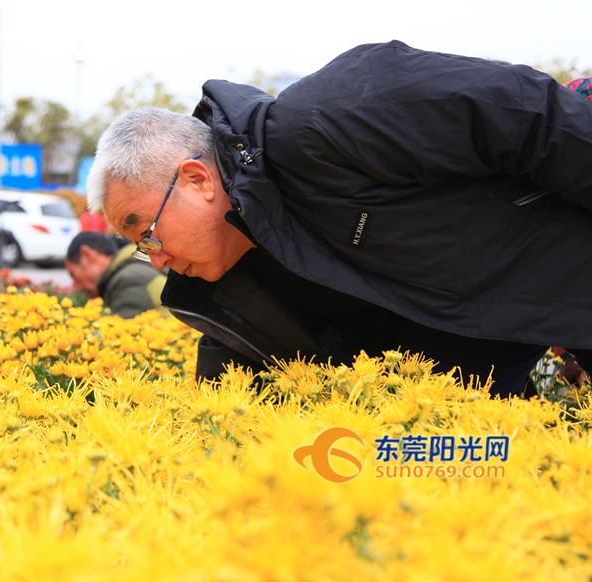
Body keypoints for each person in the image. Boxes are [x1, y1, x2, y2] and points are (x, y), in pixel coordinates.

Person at [86, 40, 592, 396]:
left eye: (147, 233)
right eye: (141, 248)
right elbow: (227, 386)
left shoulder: (331, 117)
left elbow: (527, 113)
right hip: (479, 336)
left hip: (566, 261)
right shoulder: (231, 274)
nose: (156, 260)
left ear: (197, 180)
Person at [65, 231, 169, 318]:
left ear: (86, 255)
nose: (76, 286)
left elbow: (121, 331)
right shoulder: (132, 268)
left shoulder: (128, 279)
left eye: (73, 275)